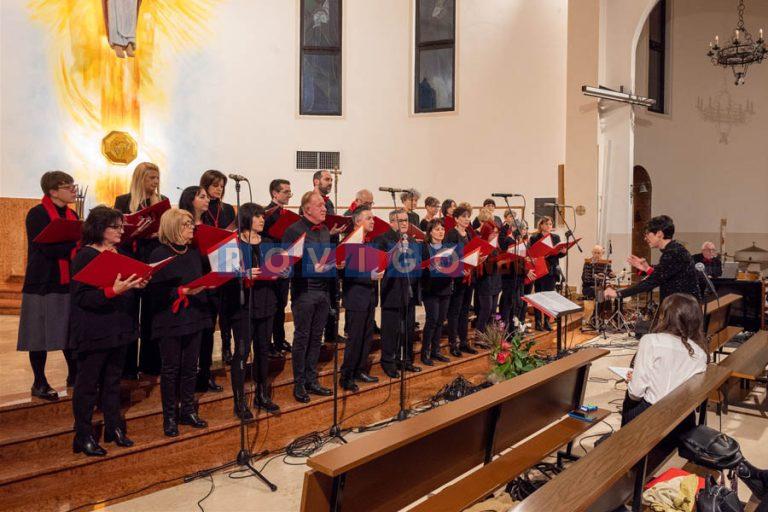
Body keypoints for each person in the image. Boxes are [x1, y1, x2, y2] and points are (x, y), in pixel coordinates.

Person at [70, 206, 146, 456]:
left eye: (122, 226)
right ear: (100, 228)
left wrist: (137, 283)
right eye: (116, 226)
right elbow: (81, 298)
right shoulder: (85, 256)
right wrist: (112, 291)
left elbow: (124, 288)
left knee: (113, 381)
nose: (122, 231)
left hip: (119, 326)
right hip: (94, 329)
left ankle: (113, 428)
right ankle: (83, 435)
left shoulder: (119, 252)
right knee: (88, 385)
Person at [148, 209, 211, 437]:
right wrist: (182, 291)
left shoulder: (193, 253)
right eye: (186, 224)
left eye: (191, 223)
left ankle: (188, 410)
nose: (192, 227)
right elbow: (154, 292)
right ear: (173, 227)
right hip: (170, 319)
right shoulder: (158, 254)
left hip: (194, 315)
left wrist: (206, 285)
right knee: (171, 369)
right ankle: (170, 417)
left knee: (190, 367)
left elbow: (198, 279)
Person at [18, 171, 80, 400]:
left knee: (69, 331)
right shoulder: (37, 214)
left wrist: (73, 245)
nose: (73, 189)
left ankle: (74, 375)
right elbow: (45, 248)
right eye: (68, 186)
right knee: (38, 334)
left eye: (73, 185)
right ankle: (39, 381)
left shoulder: (72, 214)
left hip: (67, 281)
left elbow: (71, 244)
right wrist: (74, 247)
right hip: (42, 281)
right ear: (53, 191)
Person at [222, 203, 280, 419]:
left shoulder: (270, 243)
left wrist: (281, 270)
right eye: (257, 216)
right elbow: (223, 275)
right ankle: (239, 402)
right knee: (242, 353)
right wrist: (243, 274)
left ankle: (262, 395)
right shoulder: (233, 244)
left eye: (263, 216)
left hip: (266, 301)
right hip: (243, 305)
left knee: (263, 350)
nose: (262, 219)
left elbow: (279, 267)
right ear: (246, 218)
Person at [621, 293, 708, 426]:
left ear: (664, 317)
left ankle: (623, 443)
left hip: (652, 418)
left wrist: (634, 380)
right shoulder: (700, 353)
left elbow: (635, 393)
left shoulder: (651, 341)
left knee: (630, 398)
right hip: (684, 422)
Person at [114, 161, 167, 377]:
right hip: (130, 257)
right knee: (129, 313)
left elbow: (168, 228)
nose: (155, 182)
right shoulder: (123, 200)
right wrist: (135, 231)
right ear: (139, 179)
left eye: (157, 178)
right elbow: (116, 231)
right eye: (150, 178)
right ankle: (127, 368)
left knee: (152, 313)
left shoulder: (162, 201)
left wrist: (159, 233)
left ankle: (151, 363)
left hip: (153, 256)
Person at [283, 192, 335, 403]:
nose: (325, 208)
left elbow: (325, 259)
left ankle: (312, 380)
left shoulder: (324, 231)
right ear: (307, 209)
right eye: (320, 205)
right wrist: (311, 267)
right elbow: (284, 263)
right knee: (302, 338)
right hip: (304, 292)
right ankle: (299, 383)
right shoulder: (293, 230)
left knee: (317, 338)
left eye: (324, 205)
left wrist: (333, 264)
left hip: (323, 291)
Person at [179, 186, 222, 393]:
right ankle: (187, 378)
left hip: (210, 282)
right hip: (190, 283)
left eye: (207, 197)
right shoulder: (181, 223)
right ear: (191, 199)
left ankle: (205, 374)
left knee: (208, 332)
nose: (207, 200)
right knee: (189, 337)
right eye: (202, 197)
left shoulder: (209, 223)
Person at [604, 215, 701, 303]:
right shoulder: (675, 249)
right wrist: (647, 269)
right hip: (682, 306)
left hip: (683, 309)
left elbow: (652, 282)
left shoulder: (673, 253)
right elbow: (664, 273)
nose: (645, 238)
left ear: (659, 234)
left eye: (647, 234)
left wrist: (618, 293)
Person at [339, 206, 383, 391]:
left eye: (373, 218)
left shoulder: (368, 241)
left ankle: (360, 370)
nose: (373, 221)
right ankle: (346, 376)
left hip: (370, 295)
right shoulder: (350, 243)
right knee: (355, 338)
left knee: (366, 336)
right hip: (356, 297)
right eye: (369, 218)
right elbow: (346, 273)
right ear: (358, 221)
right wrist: (370, 277)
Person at [376, 209, 422, 377]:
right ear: (392, 222)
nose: (404, 223)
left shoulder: (411, 240)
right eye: (400, 220)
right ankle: (388, 361)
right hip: (392, 290)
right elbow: (380, 264)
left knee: (408, 328)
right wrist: (397, 250)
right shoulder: (383, 240)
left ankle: (407, 360)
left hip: (409, 290)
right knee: (391, 329)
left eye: (406, 220)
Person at [199, 170, 236, 366]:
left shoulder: (228, 209)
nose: (219, 190)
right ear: (205, 186)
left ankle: (227, 347)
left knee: (227, 310)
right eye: (215, 186)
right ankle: (205, 354)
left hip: (225, 260)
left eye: (222, 186)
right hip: (206, 263)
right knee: (211, 311)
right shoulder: (200, 208)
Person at [312, 170, 346, 344]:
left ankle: (332, 333)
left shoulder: (329, 202)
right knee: (322, 295)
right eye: (327, 179)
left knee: (333, 294)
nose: (330, 182)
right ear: (316, 181)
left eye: (331, 180)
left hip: (332, 252)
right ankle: (319, 334)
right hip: (318, 255)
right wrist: (328, 232)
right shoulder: (310, 201)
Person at [264, 178, 293, 355]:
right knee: (271, 306)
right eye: (286, 192)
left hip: (284, 262)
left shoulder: (285, 214)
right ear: (275, 193)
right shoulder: (266, 214)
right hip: (271, 263)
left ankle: (280, 339)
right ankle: (267, 344)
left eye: (290, 192)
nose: (289, 195)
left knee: (281, 305)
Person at [445, 205, 478, 356]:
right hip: (457, 279)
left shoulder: (469, 234)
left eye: (468, 216)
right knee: (455, 312)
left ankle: (464, 342)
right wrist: (459, 269)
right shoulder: (451, 234)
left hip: (469, 277)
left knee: (465, 311)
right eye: (463, 216)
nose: (466, 219)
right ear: (456, 219)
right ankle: (453, 344)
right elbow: (448, 258)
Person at [420, 218, 453, 366]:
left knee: (440, 321)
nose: (441, 232)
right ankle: (425, 353)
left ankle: (436, 351)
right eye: (437, 229)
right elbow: (420, 267)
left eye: (442, 229)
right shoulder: (424, 247)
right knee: (432, 320)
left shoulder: (448, 248)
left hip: (445, 287)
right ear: (430, 232)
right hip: (430, 289)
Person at [529, 216, 567, 331]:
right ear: (541, 225)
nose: (549, 226)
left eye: (550, 224)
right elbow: (531, 253)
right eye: (546, 224)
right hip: (540, 269)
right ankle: (538, 321)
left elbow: (558, 254)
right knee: (538, 296)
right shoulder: (535, 237)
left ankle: (546, 321)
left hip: (551, 270)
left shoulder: (555, 237)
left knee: (548, 296)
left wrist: (563, 252)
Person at [498, 222, 534, 333]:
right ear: (513, 228)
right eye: (521, 229)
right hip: (509, 277)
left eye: (524, 229)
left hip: (518, 277)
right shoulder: (508, 241)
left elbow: (519, 259)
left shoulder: (519, 241)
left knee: (516, 304)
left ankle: (513, 328)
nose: (523, 231)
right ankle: (507, 329)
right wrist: (526, 270)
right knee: (509, 303)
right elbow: (512, 260)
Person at [473, 209, 502, 340]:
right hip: (485, 280)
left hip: (495, 278)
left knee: (492, 311)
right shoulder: (479, 240)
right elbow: (479, 264)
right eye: (492, 233)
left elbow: (499, 258)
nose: (494, 235)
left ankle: (490, 336)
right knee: (486, 309)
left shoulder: (496, 244)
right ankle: (479, 336)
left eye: (496, 233)